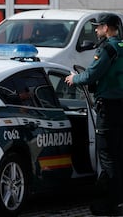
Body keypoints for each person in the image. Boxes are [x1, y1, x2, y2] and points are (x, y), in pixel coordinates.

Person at [65, 13, 123, 216]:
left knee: (107, 157)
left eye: (98, 27)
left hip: (108, 107)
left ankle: (111, 203)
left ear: (106, 28)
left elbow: (91, 74)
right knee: (117, 155)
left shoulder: (107, 48)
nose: (96, 31)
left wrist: (74, 78)